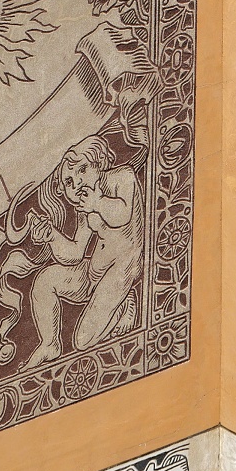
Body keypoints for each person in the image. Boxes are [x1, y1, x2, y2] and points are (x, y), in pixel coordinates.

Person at [23, 136, 144, 368]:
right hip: (92, 272)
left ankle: (125, 303)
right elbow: (75, 252)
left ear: (99, 163)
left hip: (122, 268)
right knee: (44, 281)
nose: (76, 183)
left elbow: (122, 215)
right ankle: (50, 344)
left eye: (82, 170)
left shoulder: (122, 177)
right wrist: (51, 236)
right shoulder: (84, 205)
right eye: (68, 182)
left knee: (83, 340)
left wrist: (97, 202)